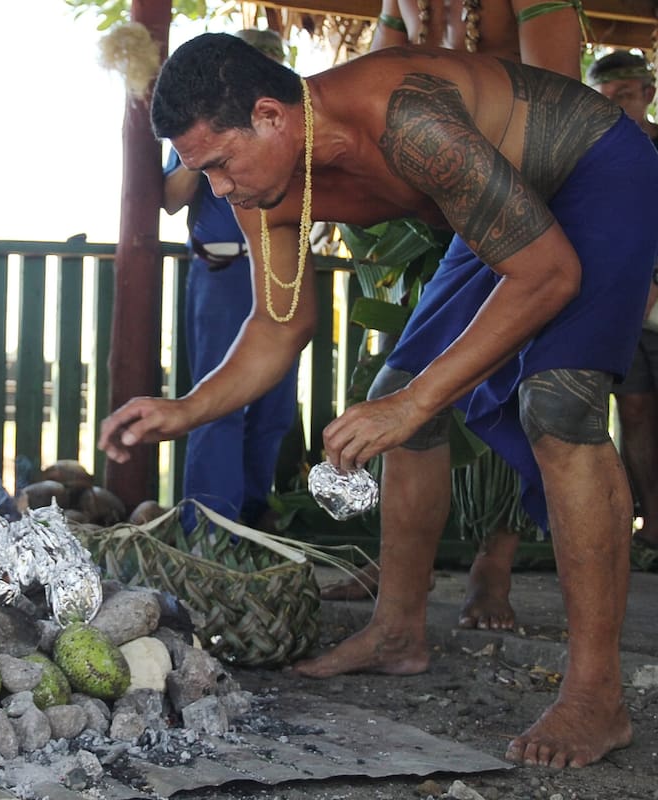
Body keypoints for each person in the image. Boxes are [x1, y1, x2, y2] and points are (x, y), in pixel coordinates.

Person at [100, 33, 658, 768]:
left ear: (270, 115)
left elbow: (547, 274)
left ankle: (596, 695)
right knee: (399, 393)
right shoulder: (262, 185)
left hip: (593, 170)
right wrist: (187, 408)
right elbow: (279, 323)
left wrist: (422, 402)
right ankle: (399, 631)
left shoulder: (406, 120)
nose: (219, 189)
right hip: (499, 205)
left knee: (558, 405)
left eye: (220, 165)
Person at [321, 0, 584, 631]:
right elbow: (371, 94)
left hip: (535, 203)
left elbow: (565, 115)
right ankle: (398, 611)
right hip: (448, 214)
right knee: (400, 387)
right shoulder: (402, 5)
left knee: (528, 394)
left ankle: (494, 565)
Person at [163, 27, 299, 533]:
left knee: (274, 403)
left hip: (281, 263)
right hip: (221, 269)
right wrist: (211, 153)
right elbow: (170, 199)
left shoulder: (286, 120)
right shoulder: (201, 128)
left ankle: (253, 514)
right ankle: (209, 526)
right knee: (220, 398)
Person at [588, 50, 658, 551]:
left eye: (625, 96)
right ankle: (650, 521)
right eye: (605, 99)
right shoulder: (595, 156)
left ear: (649, 95)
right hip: (621, 305)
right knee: (632, 410)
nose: (616, 106)